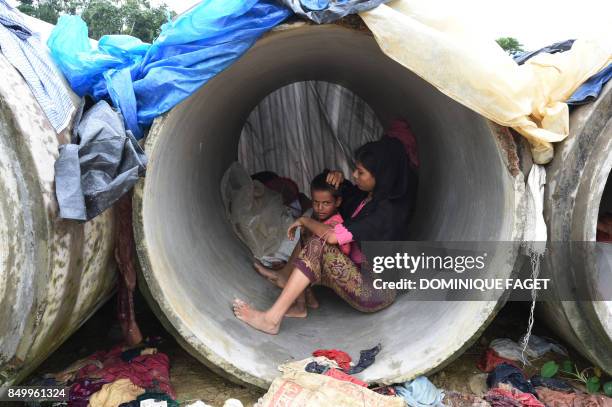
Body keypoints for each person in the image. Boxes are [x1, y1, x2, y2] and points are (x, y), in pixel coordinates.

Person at [234, 136, 417, 334]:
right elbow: (342, 196)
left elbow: (331, 237)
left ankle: (271, 319)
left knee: (319, 241)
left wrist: (303, 220)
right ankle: (293, 291)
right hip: (355, 272)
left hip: (374, 292)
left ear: (380, 176)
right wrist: (338, 179)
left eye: (361, 172)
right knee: (315, 224)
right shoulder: (368, 195)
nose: (354, 174)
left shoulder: (387, 212)